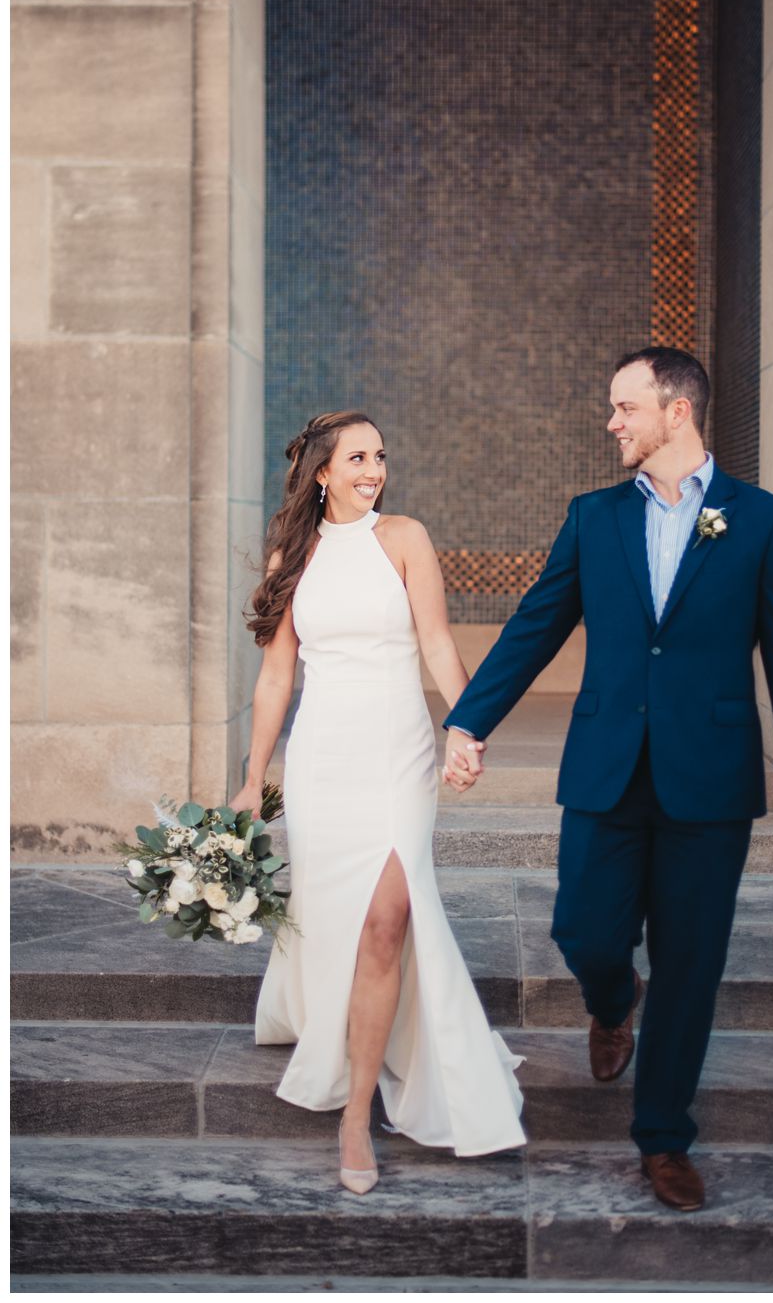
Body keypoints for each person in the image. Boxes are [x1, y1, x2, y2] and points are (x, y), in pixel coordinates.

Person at [441, 346, 773, 1213]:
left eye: (625, 406)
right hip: (605, 769)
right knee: (583, 927)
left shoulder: (763, 520)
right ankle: (612, 1003)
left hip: (711, 778)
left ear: (677, 412)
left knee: (691, 965)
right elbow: (535, 624)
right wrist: (468, 719)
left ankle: (662, 1139)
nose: (611, 422)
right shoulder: (594, 517)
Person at [242, 410, 526, 1195]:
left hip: (399, 753)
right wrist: (252, 772)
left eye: (381, 456)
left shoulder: (404, 537)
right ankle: (336, 1040)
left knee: (389, 916)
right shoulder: (292, 557)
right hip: (323, 761)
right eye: (358, 457)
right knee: (340, 915)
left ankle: (356, 1112)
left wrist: (466, 727)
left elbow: (436, 642)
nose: (375, 469)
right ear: (322, 471)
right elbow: (276, 678)